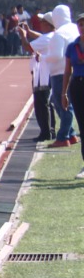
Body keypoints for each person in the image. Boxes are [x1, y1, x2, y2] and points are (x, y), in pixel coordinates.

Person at [21, 5, 80, 148]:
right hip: (73, 70)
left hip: (59, 72)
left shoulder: (59, 34)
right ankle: (71, 133)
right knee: (60, 102)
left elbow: (56, 55)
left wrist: (42, 57)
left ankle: (63, 137)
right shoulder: (74, 29)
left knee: (62, 104)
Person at [58, 30, 84, 180]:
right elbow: (67, 71)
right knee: (82, 126)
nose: (82, 27)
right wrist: (64, 93)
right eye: (80, 24)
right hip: (77, 86)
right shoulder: (72, 47)